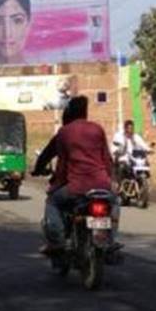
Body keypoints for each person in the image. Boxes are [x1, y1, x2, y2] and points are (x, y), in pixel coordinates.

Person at [32, 95, 117, 254]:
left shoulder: (64, 132)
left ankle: (57, 243)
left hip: (76, 187)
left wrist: (42, 173)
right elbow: (107, 159)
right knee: (114, 202)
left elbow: (56, 160)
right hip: (102, 185)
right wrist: (111, 180)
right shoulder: (97, 129)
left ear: (69, 114)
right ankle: (111, 239)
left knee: (52, 202)